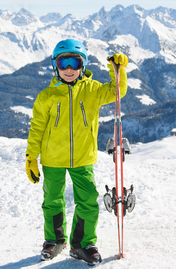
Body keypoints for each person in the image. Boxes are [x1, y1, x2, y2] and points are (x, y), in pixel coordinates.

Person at [25, 39, 128, 265]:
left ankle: (82, 244)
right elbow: (37, 128)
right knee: (52, 201)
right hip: (52, 159)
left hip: (83, 158)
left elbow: (116, 92)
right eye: (64, 63)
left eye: (74, 62)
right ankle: (54, 241)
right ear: (56, 66)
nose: (69, 69)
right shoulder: (47, 96)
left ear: (83, 65)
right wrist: (31, 157)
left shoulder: (93, 90)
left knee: (88, 201)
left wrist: (118, 69)